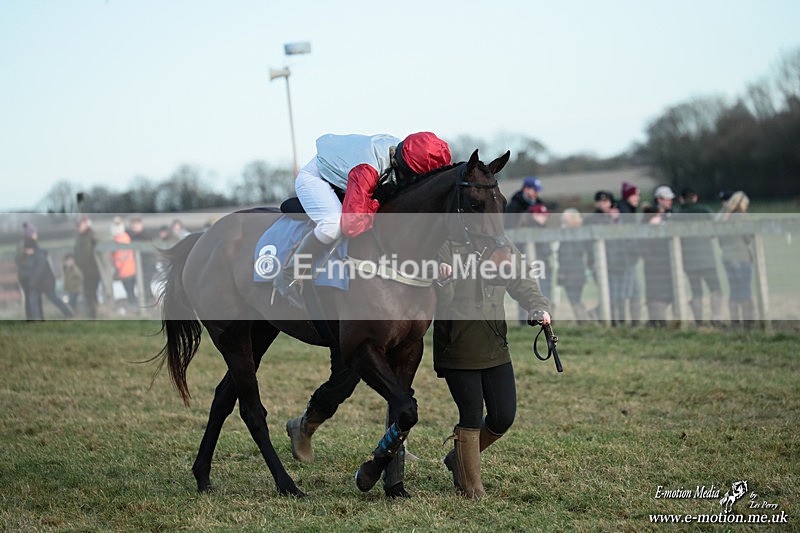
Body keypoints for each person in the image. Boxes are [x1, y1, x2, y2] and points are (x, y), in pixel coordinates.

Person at [274, 132, 452, 307]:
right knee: (333, 225)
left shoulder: (408, 153)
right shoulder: (367, 170)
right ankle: (289, 274)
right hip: (317, 176)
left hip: (350, 172)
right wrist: (377, 201)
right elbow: (352, 225)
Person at [435, 240, 551, 499]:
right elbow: (441, 304)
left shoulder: (501, 243)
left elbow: (521, 279)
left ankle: (458, 459)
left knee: (503, 416)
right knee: (471, 414)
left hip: (495, 344)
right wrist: (443, 281)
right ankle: (472, 488)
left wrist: (538, 305)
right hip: (458, 345)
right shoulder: (445, 244)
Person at [676, 188, 723, 325]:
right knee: (715, 288)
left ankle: (699, 321)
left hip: (689, 260)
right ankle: (716, 318)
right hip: (707, 257)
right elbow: (716, 231)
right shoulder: (705, 211)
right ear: (695, 197)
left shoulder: (677, 214)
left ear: (681, 199)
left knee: (696, 292)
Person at [716, 191, 755, 324]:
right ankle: (749, 322)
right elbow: (749, 237)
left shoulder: (723, 218)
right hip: (742, 257)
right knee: (745, 290)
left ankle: (735, 321)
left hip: (727, 258)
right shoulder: (742, 218)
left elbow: (720, 240)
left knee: (733, 291)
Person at [17, 238, 73, 320]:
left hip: (46, 283)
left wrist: (31, 282)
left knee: (53, 298)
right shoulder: (33, 256)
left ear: (31, 248)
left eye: (27, 249)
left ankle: (68, 313)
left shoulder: (40, 257)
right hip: (38, 283)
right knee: (33, 299)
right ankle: (37, 318)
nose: (26, 251)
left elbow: (38, 272)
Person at [640, 205, 672, 327]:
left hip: (665, 264)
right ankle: (656, 321)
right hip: (653, 265)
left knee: (664, 294)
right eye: (659, 214)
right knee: (655, 294)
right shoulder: (647, 226)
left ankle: (661, 321)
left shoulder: (665, 223)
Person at [556, 209, 590, 321]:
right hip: (574, 272)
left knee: (574, 299)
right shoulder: (571, 233)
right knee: (575, 299)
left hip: (572, 273)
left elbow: (565, 255)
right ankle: (584, 319)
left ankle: (583, 320)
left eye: (565, 219)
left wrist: (562, 273)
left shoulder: (573, 234)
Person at [617, 182, 642, 325]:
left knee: (633, 291)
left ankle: (633, 322)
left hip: (629, 258)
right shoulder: (624, 211)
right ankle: (625, 323)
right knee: (627, 292)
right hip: (625, 259)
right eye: (634, 195)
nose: (637, 198)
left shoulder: (629, 210)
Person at [74, 215, 101, 318]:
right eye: (78, 225)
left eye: (80, 224)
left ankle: (93, 316)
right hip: (83, 271)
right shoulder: (79, 237)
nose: (79, 227)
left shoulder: (91, 235)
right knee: (88, 294)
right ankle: (93, 315)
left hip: (92, 270)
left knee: (90, 293)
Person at [110, 217, 137, 305]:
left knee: (130, 291)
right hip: (125, 269)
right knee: (130, 291)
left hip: (126, 269)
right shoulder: (124, 237)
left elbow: (119, 256)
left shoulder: (120, 239)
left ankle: (134, 307)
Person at [128, 216, 156, 303]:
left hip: (147, 264)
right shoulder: (132, 236)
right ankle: (148, 302)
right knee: (143, 285)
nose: (133, 227)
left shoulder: (145, 236)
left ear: (140, 225)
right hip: (138, 265)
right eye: (132, 225)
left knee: (145, 284)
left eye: (135, 224)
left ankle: (146, 303)